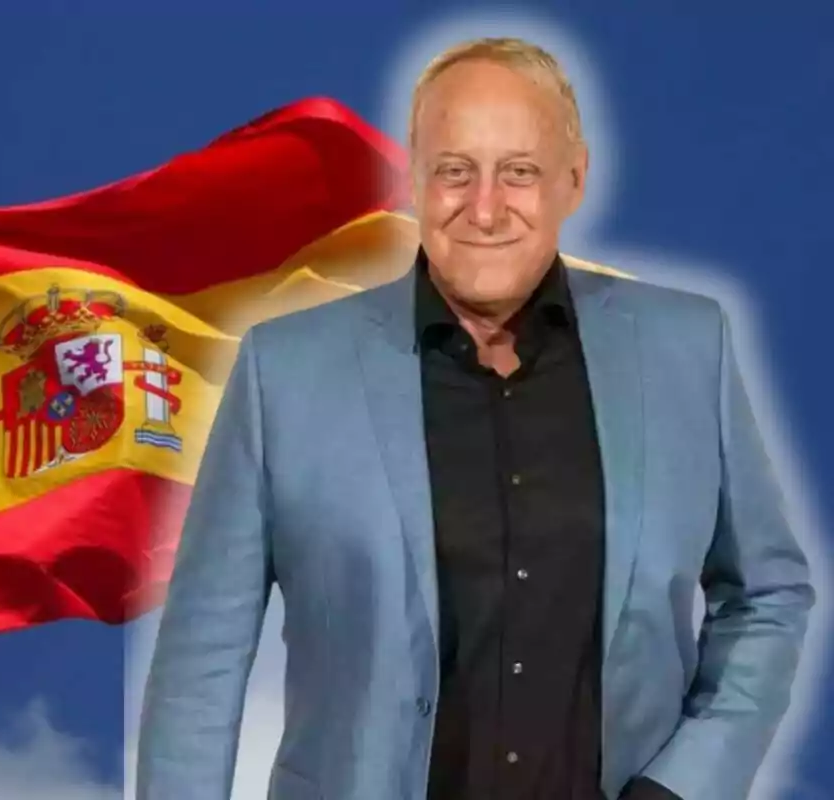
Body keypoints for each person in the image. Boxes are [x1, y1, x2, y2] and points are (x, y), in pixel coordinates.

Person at [135, 37, 815, 800]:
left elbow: (766, 597)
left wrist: (685, 784)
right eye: (454, 171)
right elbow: (202, 658)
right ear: (413, 181)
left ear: (575, 180)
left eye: (519, 172)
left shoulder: (689, 347)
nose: (484, 208)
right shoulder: (282, 374)